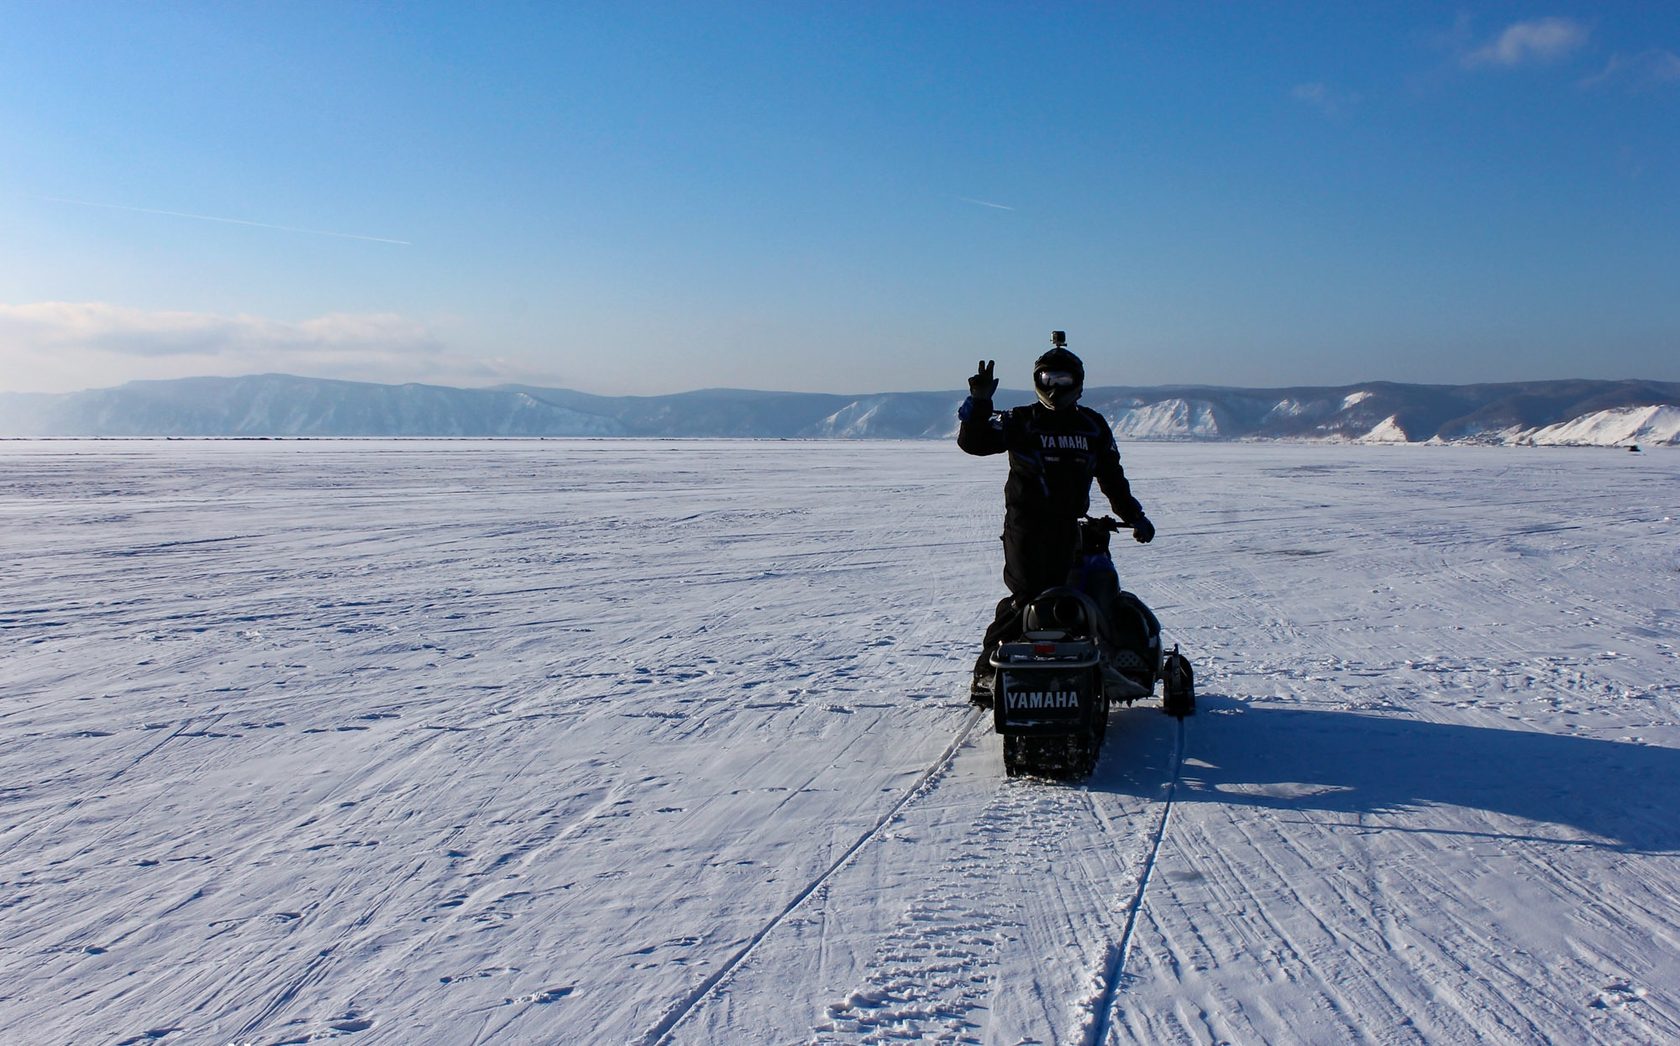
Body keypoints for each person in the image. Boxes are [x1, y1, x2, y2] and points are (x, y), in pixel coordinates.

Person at [957, 331, 1154, 705]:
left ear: (1077, 384)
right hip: (1026, 527)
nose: (1054, 386)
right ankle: (987, 672)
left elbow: (1112, 478)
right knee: (1027, 598)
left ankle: (1096, 660)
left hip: (1068, 527)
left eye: (1062, 380)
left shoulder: (1091, 426)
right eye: (1047, 379)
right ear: (1037, 382)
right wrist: (980, 403)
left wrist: (1135, 516)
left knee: (1084, 592)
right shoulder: (1021, 420)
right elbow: (975, 443)